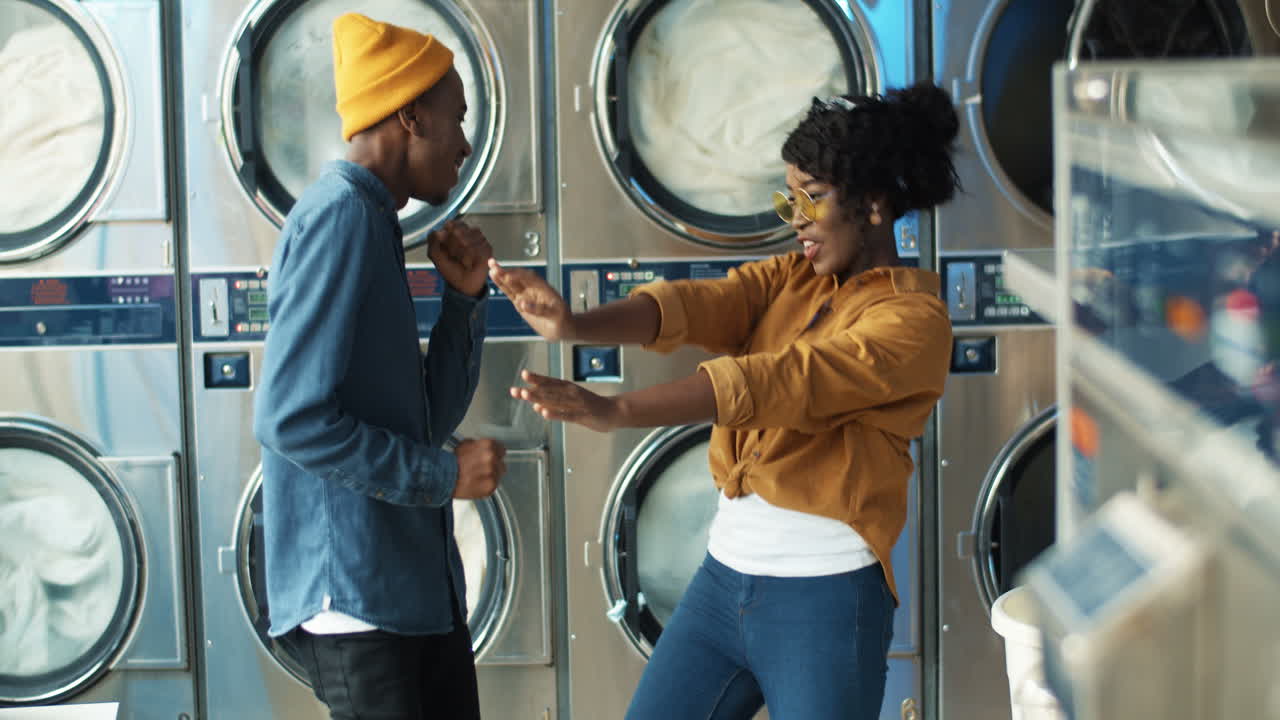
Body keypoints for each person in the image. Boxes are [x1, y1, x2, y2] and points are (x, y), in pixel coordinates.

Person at [489, 83, 961, 718]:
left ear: (874, 205)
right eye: (786, 197)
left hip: (824, 599)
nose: (793, 217)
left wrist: (616, 411)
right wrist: (575, 323)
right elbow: (698, 305)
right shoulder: (791, 279)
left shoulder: (912, 322)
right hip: (721, 583)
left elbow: (783, 382)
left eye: (812, 199)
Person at [252, 13, 506, 720]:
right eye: (456, 117)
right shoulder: (340, 217)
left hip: (409, 591)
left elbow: (425, 419)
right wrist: (443, 477)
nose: (465, 142)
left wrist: (464, 303)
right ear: (410, 114)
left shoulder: (372, 219)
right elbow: (290, 418)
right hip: (360, 605)